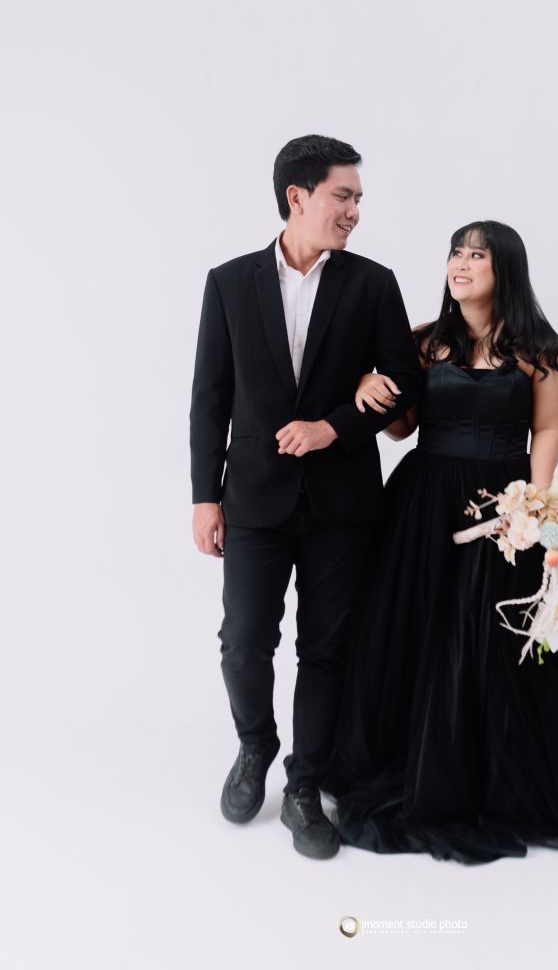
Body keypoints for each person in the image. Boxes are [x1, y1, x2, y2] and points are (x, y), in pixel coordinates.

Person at [324, 219, 558, 863]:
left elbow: (547, 429)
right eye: (455, 253)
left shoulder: (537, 347)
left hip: (506, 507)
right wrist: (365, 383)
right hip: (427, 502)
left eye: (476, 255)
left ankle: (499, 769)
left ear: (503, 268)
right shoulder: (425, 342)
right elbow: (400, 429)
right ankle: (421, 756)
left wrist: (533, 505)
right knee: (421, 630)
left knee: (496, 637)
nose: (460, 263)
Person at [189, 134, 422, 859]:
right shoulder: (229, 283)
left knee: (327, 649)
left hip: (344, 506)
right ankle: (255, 745)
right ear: (298, 196)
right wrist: (204, 497)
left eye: (358, 198)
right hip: (253, 501)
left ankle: (304, 783)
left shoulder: (373, 284)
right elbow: (209, 399)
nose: (354, 210)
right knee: (243, 642)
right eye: (342, 196)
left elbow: (404, 385)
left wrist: (335, 427)